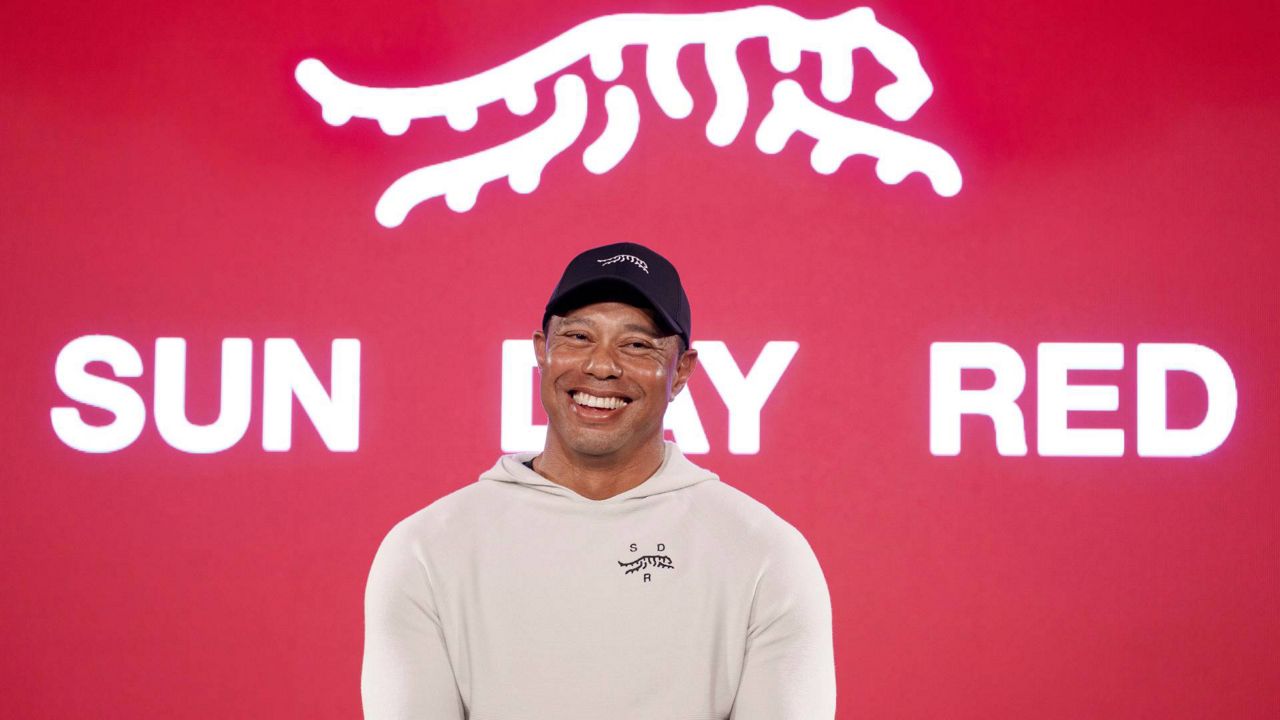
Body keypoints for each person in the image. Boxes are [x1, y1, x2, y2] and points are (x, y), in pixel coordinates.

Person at [361, 242, 836, 719]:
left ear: (681, 372)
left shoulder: (765, 553)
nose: (602, 366)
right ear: (542, 352)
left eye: (636, 345)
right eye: (578, 337)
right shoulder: (426, 548)